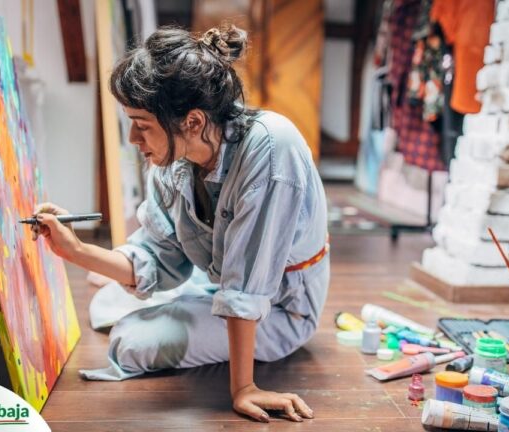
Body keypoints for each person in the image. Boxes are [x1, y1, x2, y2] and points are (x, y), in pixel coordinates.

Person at [31, 24, 329, 423]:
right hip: (217, 280)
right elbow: (158, 257)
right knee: (107, 302)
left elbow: (245, 286)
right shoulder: (174, 161)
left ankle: (190, 311)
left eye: (142, 124)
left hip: (279, 308)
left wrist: (244, 389)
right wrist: (76, 251)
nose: (134, 138)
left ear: (191, 121)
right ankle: (186, 304)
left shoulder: (273, 150)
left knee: (131, 341)